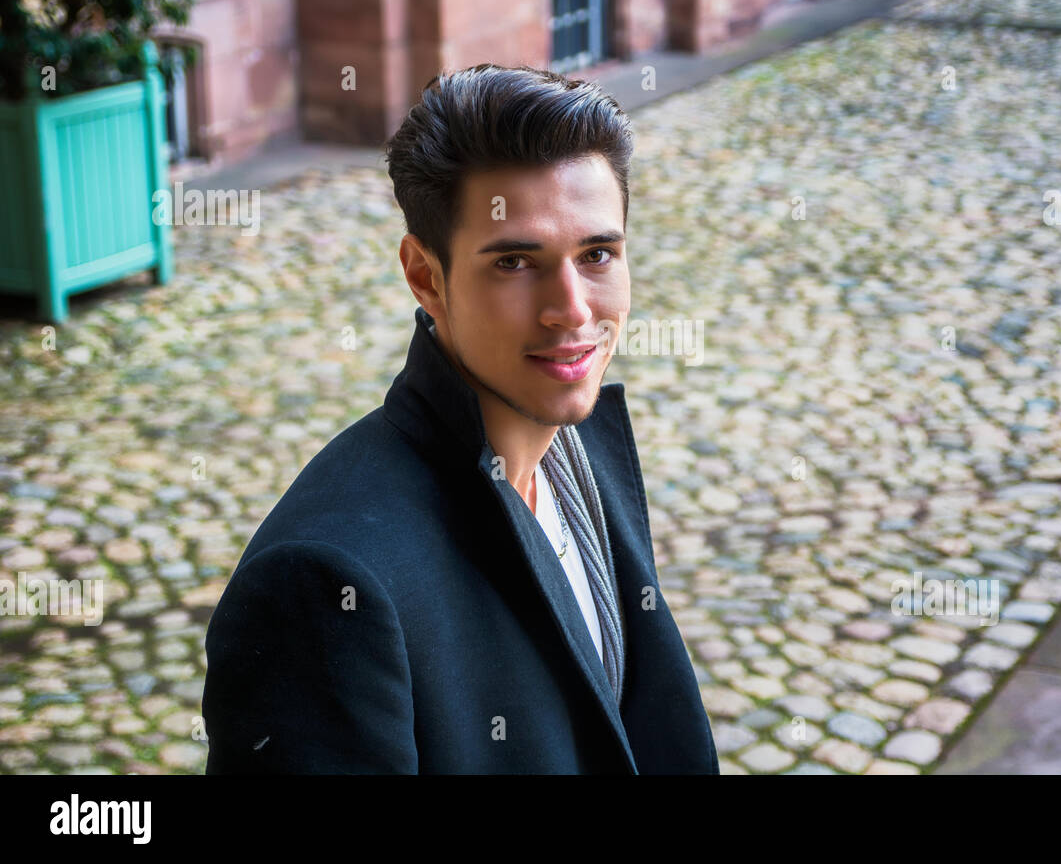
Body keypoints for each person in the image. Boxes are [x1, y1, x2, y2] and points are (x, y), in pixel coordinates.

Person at [201, 64, 719, 774]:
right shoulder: (323, 585)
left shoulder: (582, 448)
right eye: (514, 261)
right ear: (425, 277)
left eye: (597, 254)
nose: (572, 309)